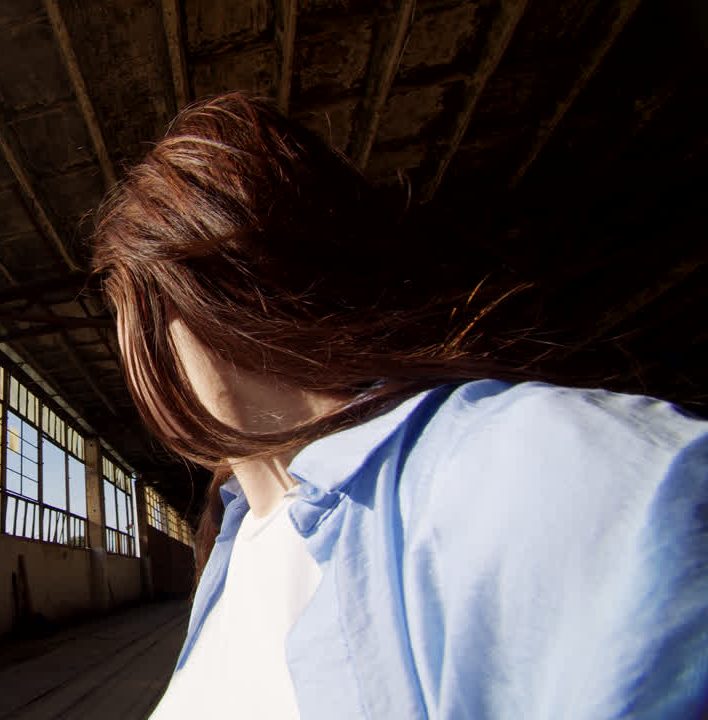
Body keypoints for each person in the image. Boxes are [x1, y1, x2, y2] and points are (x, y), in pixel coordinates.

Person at [91, 93, 708, 719]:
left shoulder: (529, 468)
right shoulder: (237, 531)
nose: (129, 368)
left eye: (125, 316)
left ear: (184, 306)